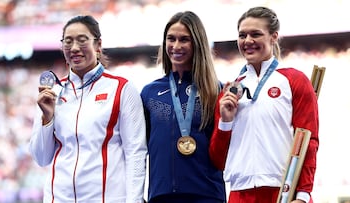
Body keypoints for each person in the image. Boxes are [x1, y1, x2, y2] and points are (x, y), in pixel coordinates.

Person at [29, 15, 147, 203]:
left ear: (98, 45)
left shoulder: (122, 89)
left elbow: (135, 153)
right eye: (68, 41)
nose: (74, 48)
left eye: (82, 40)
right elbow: (41, 158)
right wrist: (47, 118)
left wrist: (134, 200)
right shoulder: (52, 93)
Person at [209, 6, 319, 203]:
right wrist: (225, 122)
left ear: (274, 36)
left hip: (284, 191)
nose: (248, 41)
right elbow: (218, 159)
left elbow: (309, 141)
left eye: (256, 34)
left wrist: (303, 195)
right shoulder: (230, 90)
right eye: (242, 35)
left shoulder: (294, 80)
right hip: (240, 193)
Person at [141, 11, 226, 203]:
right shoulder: (149, 93)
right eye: (171, 39)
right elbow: (137, 149)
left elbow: (224, 146)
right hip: (161, 195)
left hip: (206, 195)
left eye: (184, 40)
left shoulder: (215, 90)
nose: (176, 46)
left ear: (197, 44)